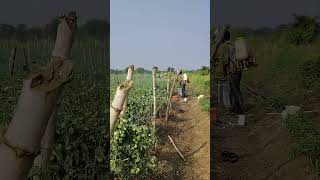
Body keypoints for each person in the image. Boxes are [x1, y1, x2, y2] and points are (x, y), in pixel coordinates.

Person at [221, 29, 244, 114]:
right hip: (239, 70)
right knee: (235, 89)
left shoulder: (225, 46)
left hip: (233, 71)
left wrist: (224, 71)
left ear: (222, 37)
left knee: (235, 90)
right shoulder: (234, 44)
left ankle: (240, 109)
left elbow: (225, 61)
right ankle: (236, 108)